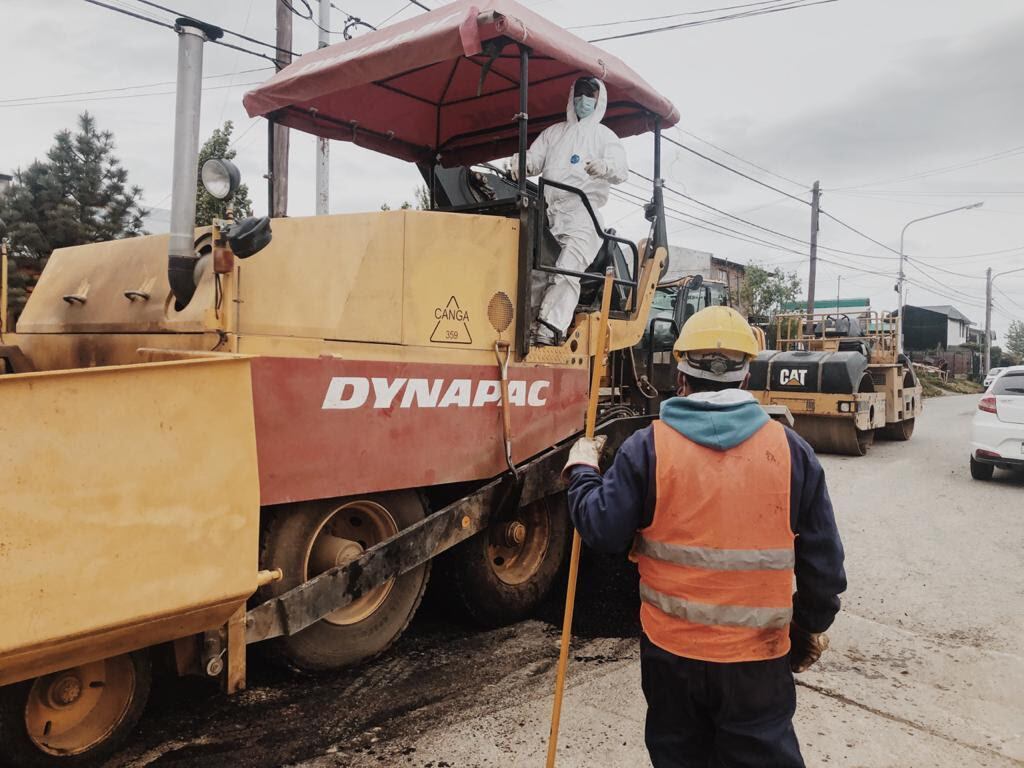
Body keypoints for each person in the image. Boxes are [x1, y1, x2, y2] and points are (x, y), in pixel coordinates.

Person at [562, 306, 847, 768]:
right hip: (758, 661)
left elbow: (601, 529)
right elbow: (825, 570)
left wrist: (582, 470)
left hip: (672, 657)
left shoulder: (647, 447)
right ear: (746, 373)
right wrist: (808, 626)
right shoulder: (791, 452)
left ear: (681, 375)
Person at [509, 76, 628, 345]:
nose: (583, 100)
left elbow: (621, 169)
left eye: (590, 95)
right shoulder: (555, 133)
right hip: (550, 214)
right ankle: (524, 328)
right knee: (536, 271)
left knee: (567, 271)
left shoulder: (604, 136)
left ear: (600, 100)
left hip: (583, 215)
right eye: (580, 93)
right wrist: (521, 164)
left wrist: (604, 167)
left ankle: (549, 331)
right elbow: (534, 160)